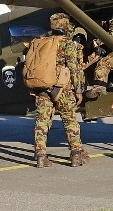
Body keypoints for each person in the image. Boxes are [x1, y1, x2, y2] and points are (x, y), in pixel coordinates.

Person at [32, 12, 89, 168]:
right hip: (63, 88)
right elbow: (74, 68)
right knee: (69, 120)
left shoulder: (43, 42)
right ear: (65, 26)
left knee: (42, 121)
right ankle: (76, 155)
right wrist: (78, 90)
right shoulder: (68, 44)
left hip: (43, 87)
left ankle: (41, 156)